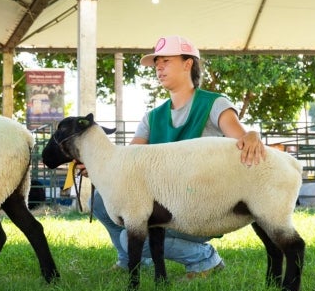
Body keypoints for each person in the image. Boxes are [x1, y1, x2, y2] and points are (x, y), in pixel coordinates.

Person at [91, 35, 265, 278]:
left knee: (128, 235)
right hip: (165, 206)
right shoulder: (152, 118)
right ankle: (131, 258)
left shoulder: (215, 104)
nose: (158, 67)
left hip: (203, 205)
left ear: (188, 64)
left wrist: (252, 135)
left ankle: (205, 260)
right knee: (100, 197)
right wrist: (94, 161)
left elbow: (241, 140)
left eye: (166, 61)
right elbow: (126, 163)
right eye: (156, 63)